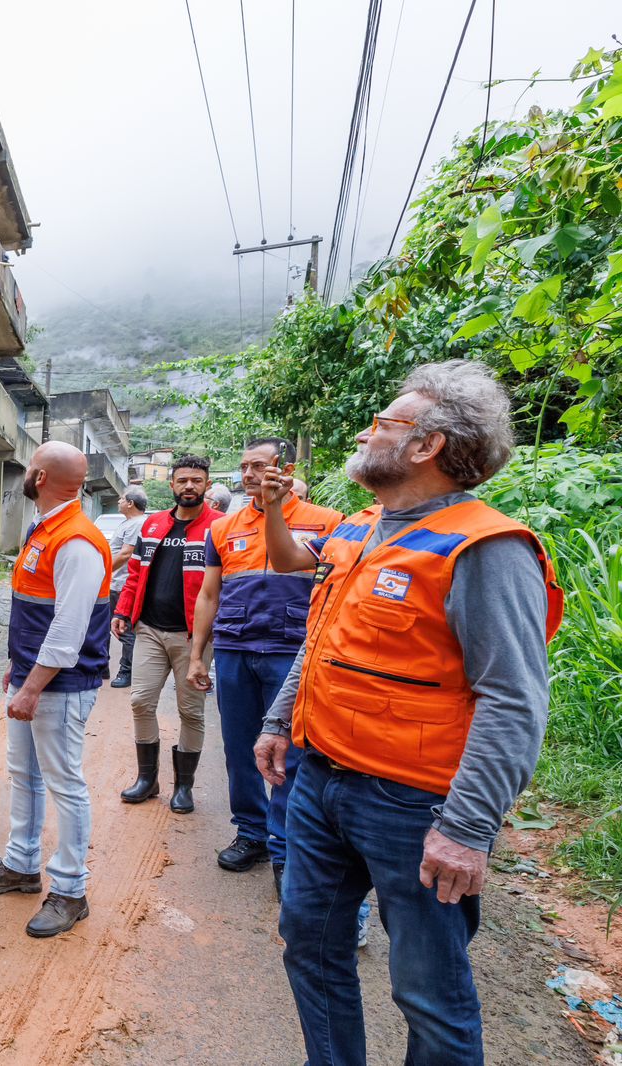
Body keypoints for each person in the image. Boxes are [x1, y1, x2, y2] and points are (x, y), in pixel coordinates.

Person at [255, 361, 563, 1066]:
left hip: (415, 804)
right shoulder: (365, 529)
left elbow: (514, 698)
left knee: (430, 995)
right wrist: (280, 721)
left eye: (384, 423)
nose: (367, 432)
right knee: (309, 943)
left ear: (427, 446)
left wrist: (467, 828)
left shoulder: (486, 548)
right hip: (321, 781)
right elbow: (326, 638)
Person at [0, 441, 111, 939]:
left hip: (60, 685)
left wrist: (31, 688)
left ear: (41, 478)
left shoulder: (77, 541)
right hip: (31, 677)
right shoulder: (43, 531)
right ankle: (22, 865)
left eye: (30, 468)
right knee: (23, 772)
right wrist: (17, 670)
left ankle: (70, 890)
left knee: (64, 783)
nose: (26, 474)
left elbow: (68, 631)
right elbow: (32, 611)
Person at [186, 438, 342, 880]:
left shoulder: (328, 522)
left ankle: (285, 846)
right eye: (243, 466)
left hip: (292, 653)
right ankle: (250, 832)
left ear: (283, 467)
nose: (248, 473)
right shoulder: (224, 528)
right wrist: (199, 655)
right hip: (236, 649)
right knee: (239, 748)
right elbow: (209, 594)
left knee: (289, 752)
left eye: (258, 465)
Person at [111, 457, 223, 812]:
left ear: (207, 485)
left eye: (196, 480)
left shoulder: (220, 527)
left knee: (190, 711)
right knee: (140, 701)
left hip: (194, 638)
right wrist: (122, 610)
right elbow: (135, 573)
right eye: (182, 480)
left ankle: (184, 787)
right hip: (150, 630)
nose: (189, 486)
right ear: (172, 485)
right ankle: (148, 779)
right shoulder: (153, 524)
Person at [107, 489, 147, 688]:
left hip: (123, 585)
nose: (119, 501)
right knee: (107, 625)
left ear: (130, 503)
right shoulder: (129, 523)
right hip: (117, 583)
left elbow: (125, 555)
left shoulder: (137, 524)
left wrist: (103, 573)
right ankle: (101, 666)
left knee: (125, 630)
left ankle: (127, 671)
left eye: (122, 499)